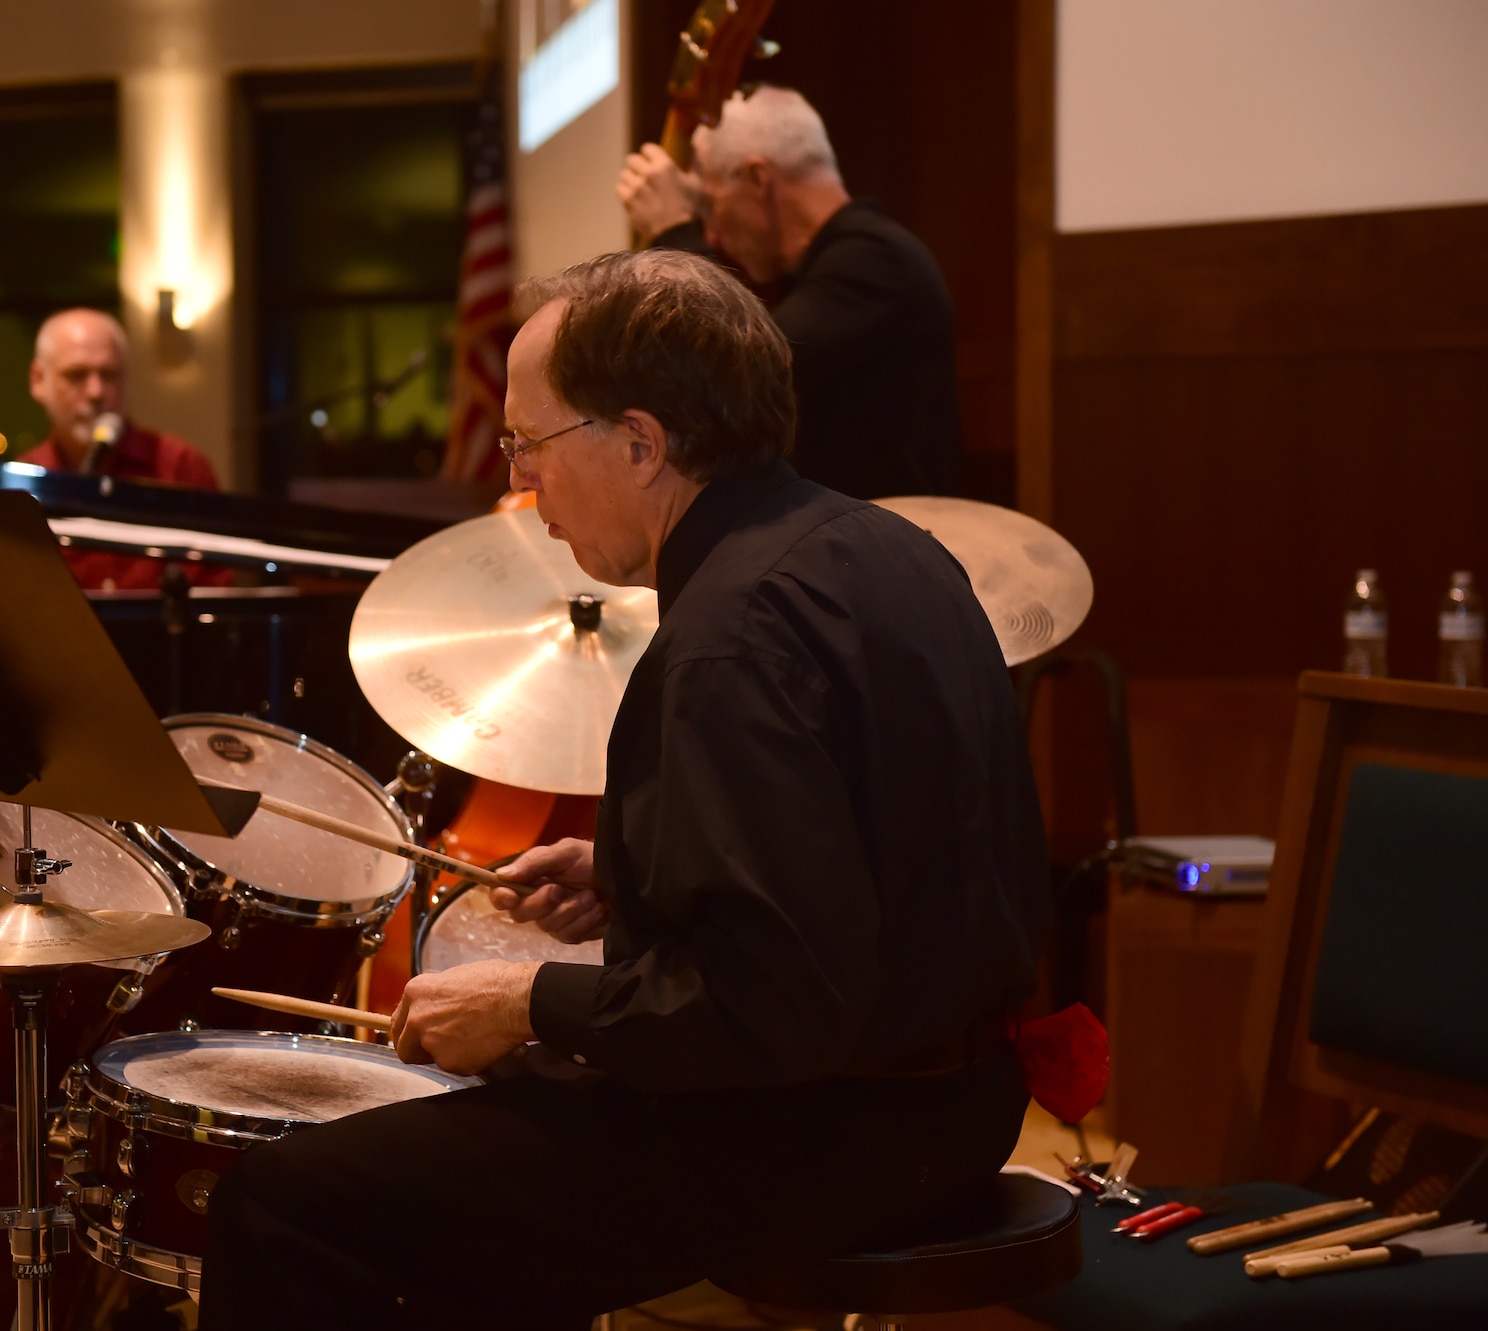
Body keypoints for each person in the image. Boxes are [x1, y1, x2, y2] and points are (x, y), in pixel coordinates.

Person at [196, 250, 1050, 1330]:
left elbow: (766, 1007)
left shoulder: (726, 638)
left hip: (824, 1135)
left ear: (641, 443)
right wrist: (629, 864)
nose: (519, 484)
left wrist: (524, 1000)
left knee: (283, 1204)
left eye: (529, 443)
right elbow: (890, 854)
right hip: (960, 1102)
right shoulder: (888, 547)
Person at [617, 86, 962, 501]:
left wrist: (676, 231)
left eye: (710, 205)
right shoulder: (841, 263)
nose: (712, 233)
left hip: (887, 543)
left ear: (759, 179)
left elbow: (747, 369)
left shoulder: (876, 260)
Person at [18, 307, 220, 591]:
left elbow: (213, 585)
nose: (96, 392)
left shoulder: (180, 467)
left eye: (109, 375)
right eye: (76, 375)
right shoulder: (22, 485)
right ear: (38, 381)